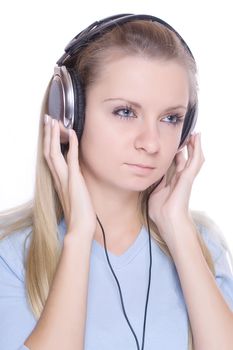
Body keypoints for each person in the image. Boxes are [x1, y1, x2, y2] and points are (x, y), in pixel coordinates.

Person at [0, 13, 233, 350]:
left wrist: (179, 229)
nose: (151, 143)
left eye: (171, 118)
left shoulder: (203, 246)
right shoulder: (11, 255)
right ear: (68, 113)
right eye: (125, 111)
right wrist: (79, 235)